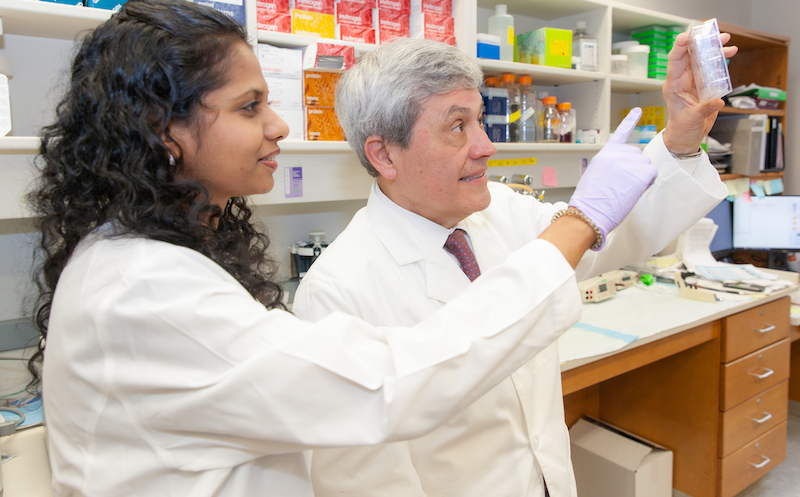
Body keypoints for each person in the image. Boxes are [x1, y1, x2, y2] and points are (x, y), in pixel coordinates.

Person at [25, 0, 662, 497]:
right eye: (250, 108)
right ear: (167, 132)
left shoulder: (154, 261)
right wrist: (580, 220)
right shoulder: (143, 291)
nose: (279, 126)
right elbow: (382, 386)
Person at [292, 37, 735, 497]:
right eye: (457, 127)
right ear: (385, 155)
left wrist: (680, 140)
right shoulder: (335, 293)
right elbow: (370, 483)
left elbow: (602, 240)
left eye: (479, 120)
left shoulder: (500, 211)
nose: (486, 146)